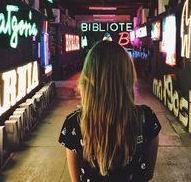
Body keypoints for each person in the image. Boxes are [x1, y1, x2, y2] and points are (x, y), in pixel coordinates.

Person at [59, 40, 160, 181]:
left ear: (88, 78)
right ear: (128, 76)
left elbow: (76, 180)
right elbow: (148, 174)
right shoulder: (146, 118)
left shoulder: (74, 123)